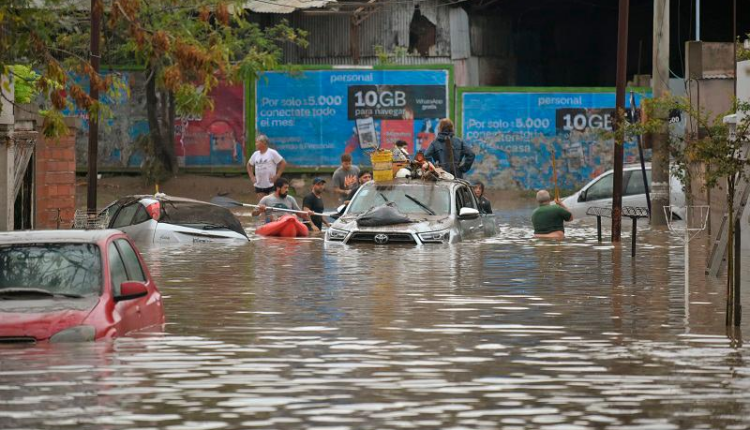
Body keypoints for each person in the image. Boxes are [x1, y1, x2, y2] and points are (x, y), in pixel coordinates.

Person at [247, 135, 286, 200]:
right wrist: (252, 176)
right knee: (262, 205)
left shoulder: (272, 152)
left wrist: (277, 175)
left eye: (257, 142)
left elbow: (283, 163)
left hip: (271, 184)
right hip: (259, 184)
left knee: (272, 204)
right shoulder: (255, 154)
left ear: (264, 143)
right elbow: (249, 165)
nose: (255, 144)